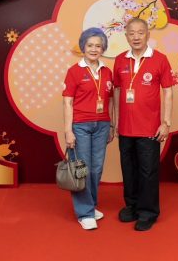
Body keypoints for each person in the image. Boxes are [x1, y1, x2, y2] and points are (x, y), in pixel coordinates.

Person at [113, 17, 173, 231]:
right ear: (126, 36)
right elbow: (117, 91)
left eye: (140, 32)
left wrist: (166, 122)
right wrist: (116, 121)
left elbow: (168, 92)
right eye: (131, 33)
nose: (136, 37)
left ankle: (148, 212)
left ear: (147, 34)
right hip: (125, 127)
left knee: (148, 171)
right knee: (128, 169)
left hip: (149, 127)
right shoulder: (120, 60)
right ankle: (132, 206)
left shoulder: (160, 59)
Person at [62, 27, 115, 230]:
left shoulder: (107, 72)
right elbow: (67, 102)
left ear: (103, 49)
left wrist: (111, 125)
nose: (94, 49)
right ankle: (84, 213)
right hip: (81, 126)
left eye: (98, 46)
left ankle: (91, 205)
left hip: (102, 125)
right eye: (90, 45)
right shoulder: (74, 72)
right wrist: (68, 131)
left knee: (96, 168)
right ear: (83, 47)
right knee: (81, 169)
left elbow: (111, 101)